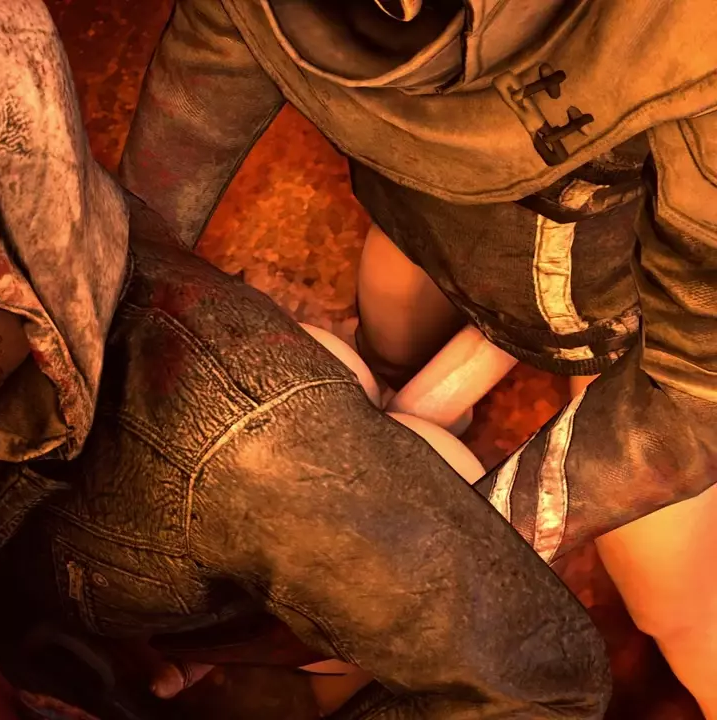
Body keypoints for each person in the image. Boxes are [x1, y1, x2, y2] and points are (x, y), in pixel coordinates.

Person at [0, 0, 612, 716]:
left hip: (298, 540)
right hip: (233, 550)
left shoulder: (251, 451)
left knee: (417, 475)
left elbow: (542, 678)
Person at [118, 0, 717, 712]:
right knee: (390, 341)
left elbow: (690, 395)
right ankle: (407, 378)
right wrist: (120, 288)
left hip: (650, 315)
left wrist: (422, 567)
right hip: (438, 224)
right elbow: (217, 52)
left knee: (679, 610)